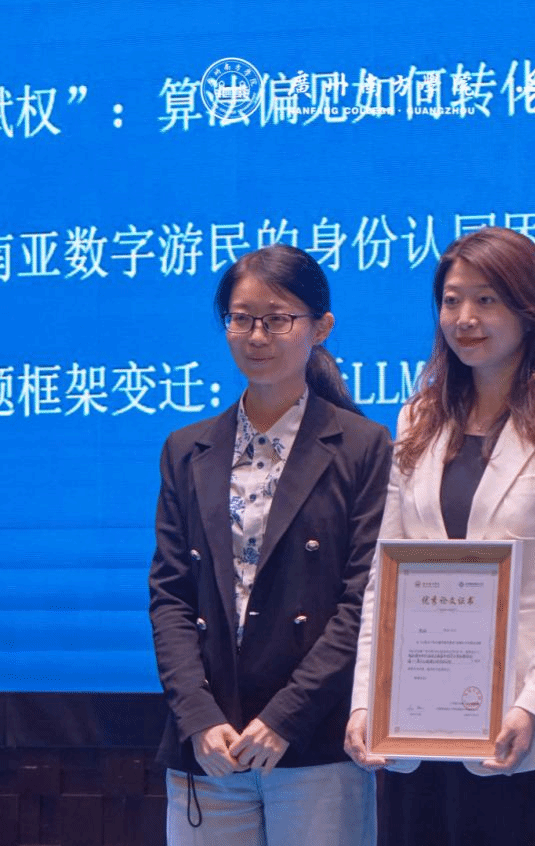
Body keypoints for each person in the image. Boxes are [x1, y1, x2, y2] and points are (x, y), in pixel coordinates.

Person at [344, 227, 535, 846]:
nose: (465, 318)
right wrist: (367, 702)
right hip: (418, 721)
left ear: (529, 309)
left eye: (487, 300)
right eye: (451, 300)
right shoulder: (418, 419)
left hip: (529, 732)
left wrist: (534, 705)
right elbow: (384, 581)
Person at [149, 243, 392, 845]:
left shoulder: (362, 446)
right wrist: (197, 716)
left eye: (278, 319)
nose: (257, 336)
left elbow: (362, 602)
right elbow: (171, 597)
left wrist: (285, 718)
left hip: (315, 739)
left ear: (320, 328)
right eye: (241, 318)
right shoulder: (188, 449)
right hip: (211, 745)